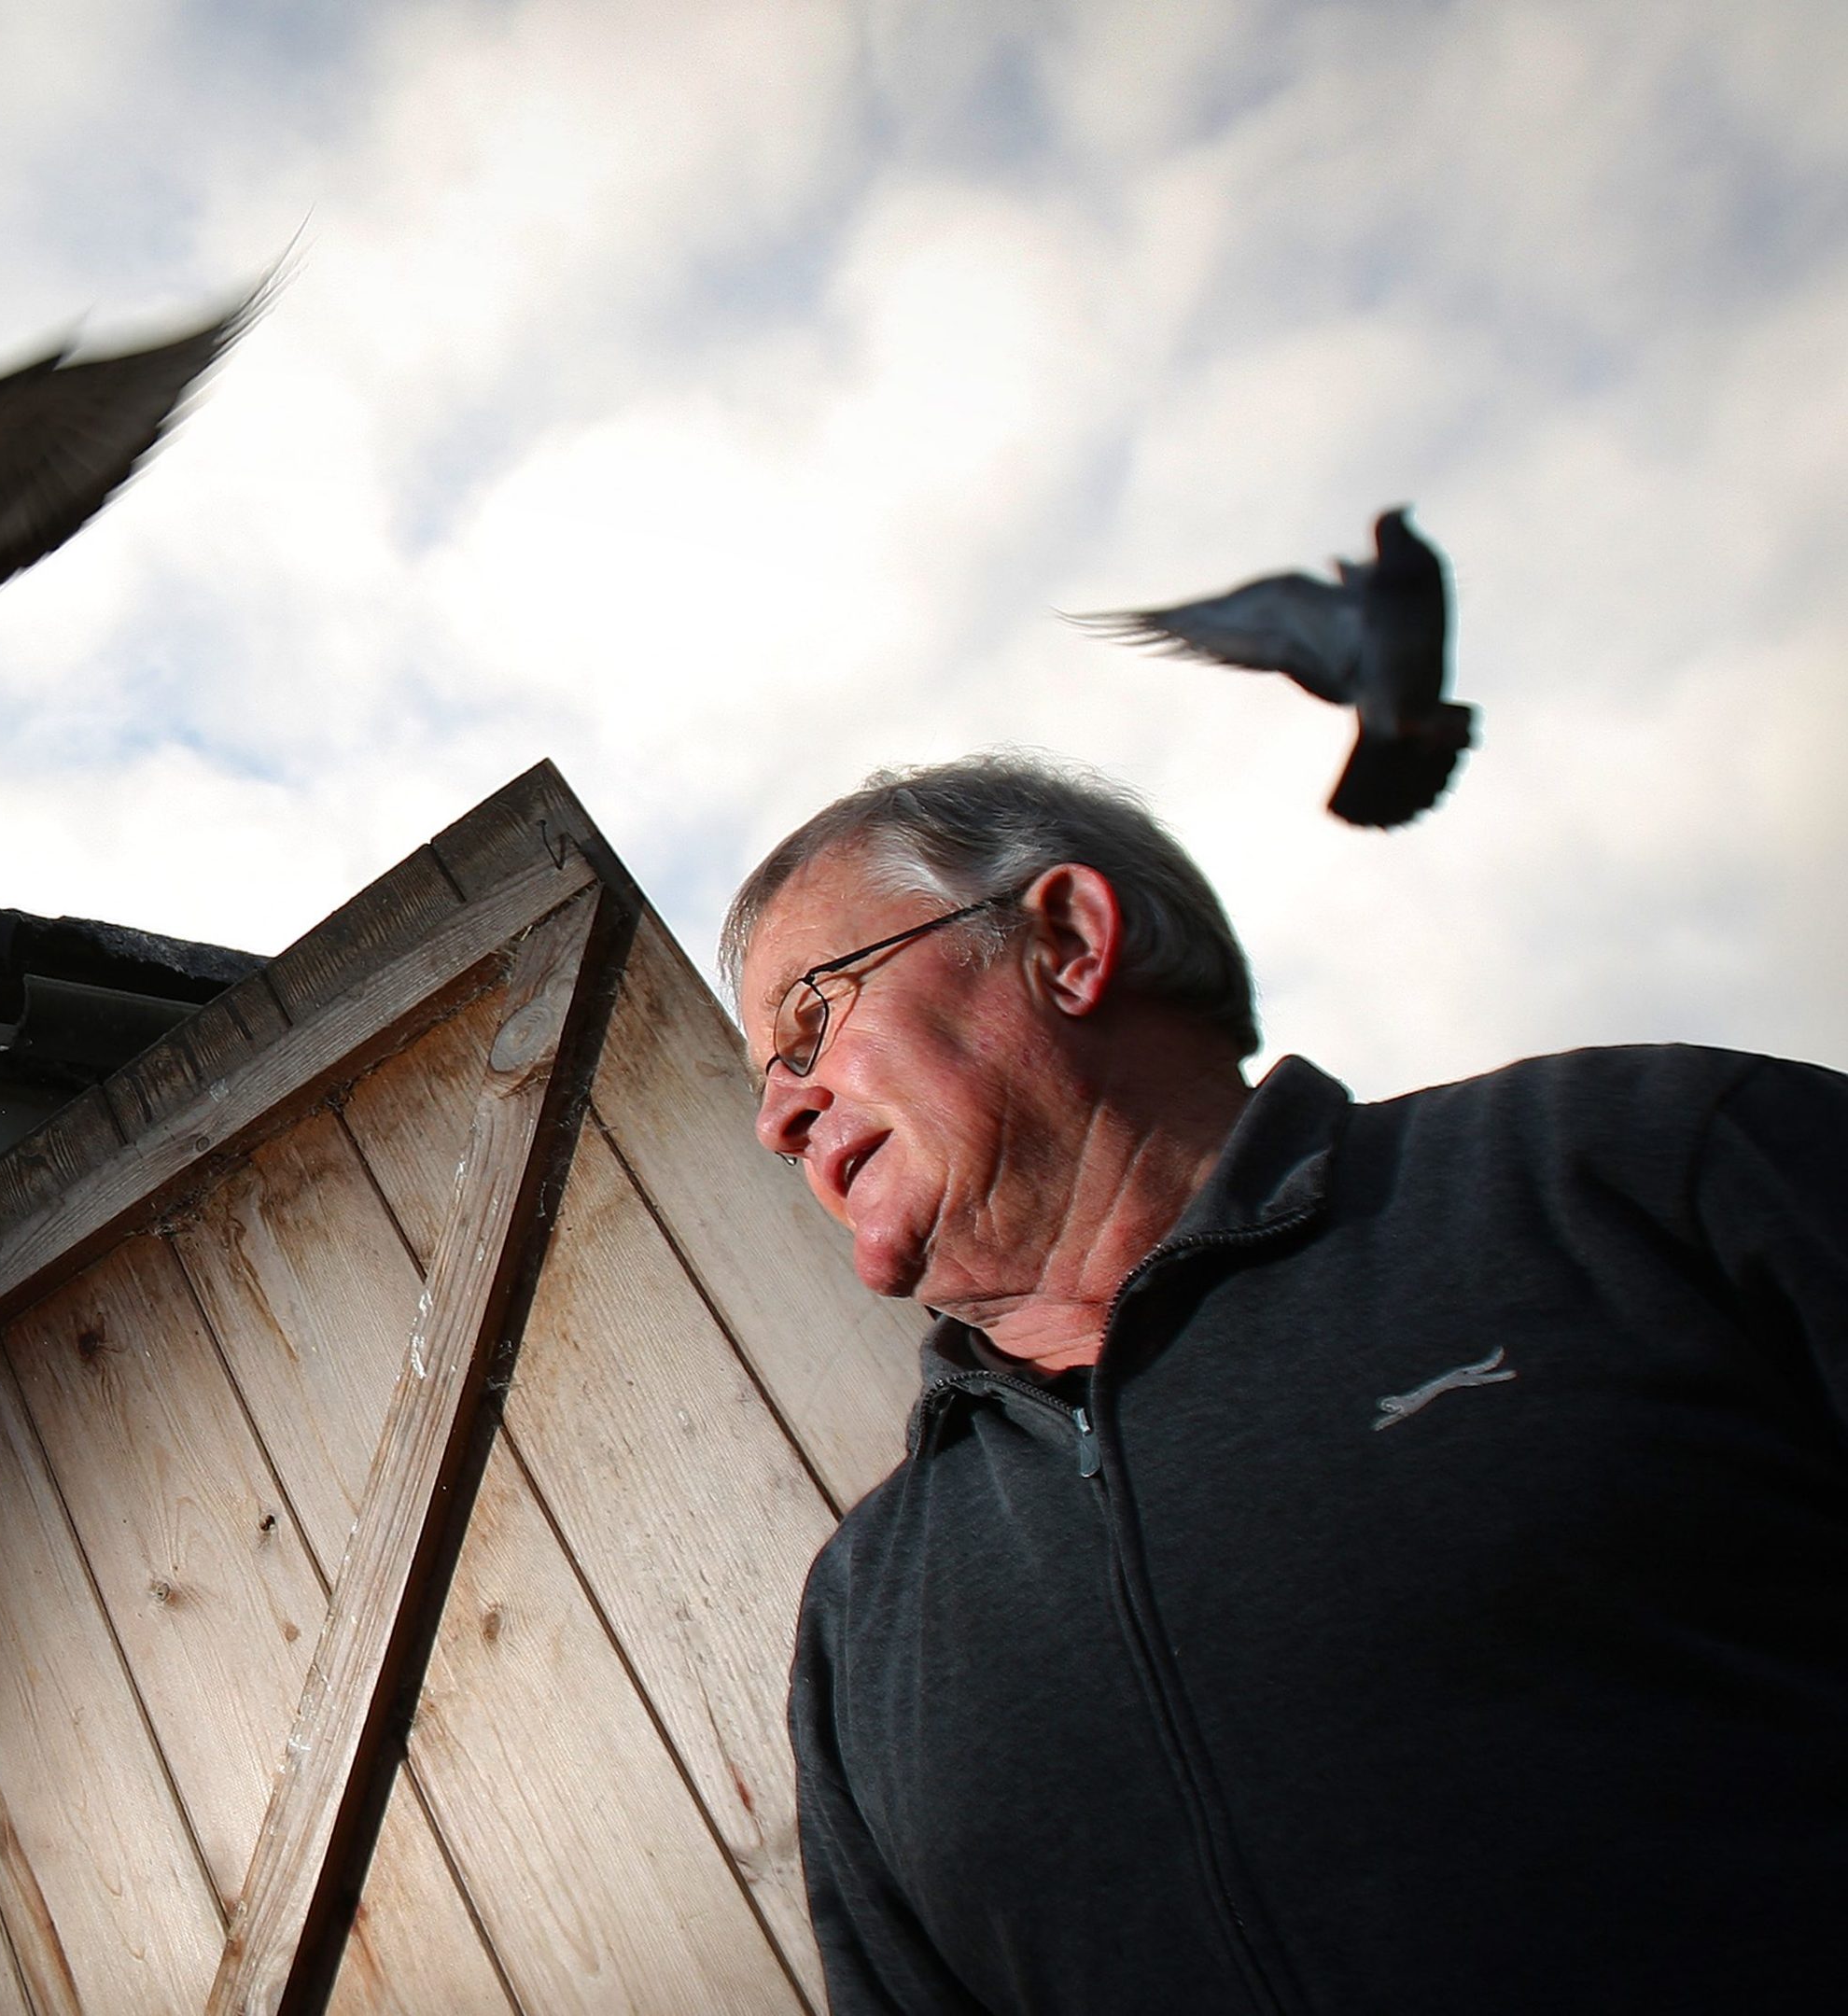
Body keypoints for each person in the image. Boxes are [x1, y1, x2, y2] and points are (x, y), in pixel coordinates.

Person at [721, 751, 1848, 2015]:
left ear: (1068, 943)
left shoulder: (1637, 1169)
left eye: (812, 1020)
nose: (780, 1114)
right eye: (764, 1075)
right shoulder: (866, 1608)